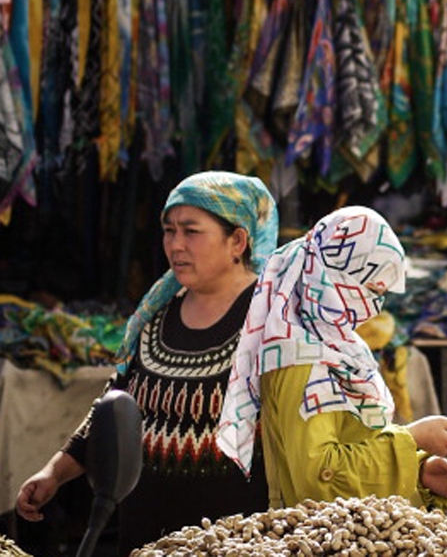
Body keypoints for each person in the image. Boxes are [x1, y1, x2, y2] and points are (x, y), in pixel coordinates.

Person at [16, 171, 280, 554]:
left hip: (232, 540)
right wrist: (54, 473)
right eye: (169, 230)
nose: (175, 245)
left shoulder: (271, 319)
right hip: (145, 534)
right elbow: (115, 405)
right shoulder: (155, 314)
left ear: (237, 240)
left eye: (191, 231)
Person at [216, 205, 447, 512]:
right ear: (334, 277)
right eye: (370, 289)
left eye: (381, 294)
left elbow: (354, 442)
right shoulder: (301, 358)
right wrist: (413, 440)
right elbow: (318, 477)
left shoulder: (336, 345)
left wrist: (419, 471)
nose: (373, 307)